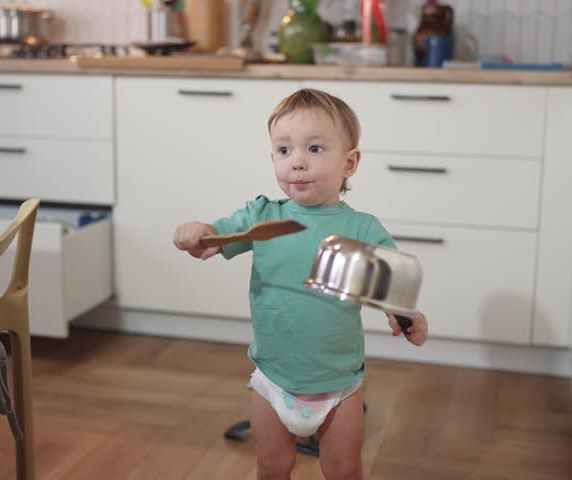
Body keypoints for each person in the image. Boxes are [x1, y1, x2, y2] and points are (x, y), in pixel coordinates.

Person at [173, 88, 429, 480]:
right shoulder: (260, 217)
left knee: (344, 470)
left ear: (350, 162)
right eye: (284, 151)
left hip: (340, 385)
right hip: (272, 380)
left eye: (314, 149)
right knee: (272, 467)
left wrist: (404, 315)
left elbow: (390, 289)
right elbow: (213, 239)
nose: (297, 163)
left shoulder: (362, 229)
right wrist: (198, 232)